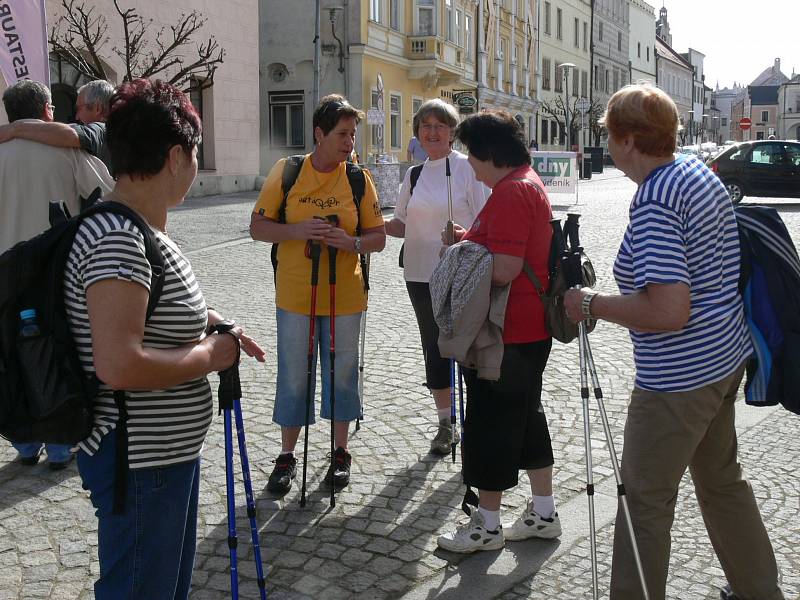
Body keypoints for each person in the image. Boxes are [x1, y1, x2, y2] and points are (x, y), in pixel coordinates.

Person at [564, 84, 784, 600]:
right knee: (722, 483)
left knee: (644, 502)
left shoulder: (657, 197)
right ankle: (760, 592)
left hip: (678, 380)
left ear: (624, 139)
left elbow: (668, 310)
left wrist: (592, 303)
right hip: (723, 359)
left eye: (608, 135)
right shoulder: (696, 173)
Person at [64, 78, 265, 599]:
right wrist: (209, 355)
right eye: (196, 153)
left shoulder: (145, 229)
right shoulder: (118, 239)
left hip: (161, 454)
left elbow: (158, 312)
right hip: (140, 459)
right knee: (139, 590)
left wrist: (211, 321)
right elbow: (118, 363)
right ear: (176, 156)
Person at [436, 109, 560, 553]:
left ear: (489, 153)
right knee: (527, 419)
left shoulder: (511, 192)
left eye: (470, 152)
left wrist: (464, 253)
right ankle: (543, 513)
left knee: (489, 426)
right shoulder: (526, 181)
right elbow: (507, 249)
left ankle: (486, 526)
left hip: (503, 334)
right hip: (527, 332)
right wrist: (471, 238)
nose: (468, 162)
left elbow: (504, 268)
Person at [250, 94, 385, 494]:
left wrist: (350, 242)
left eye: (353, 134)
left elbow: (377, 238)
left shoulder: (359, 178)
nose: (349, 142)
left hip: (345, 296)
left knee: (342, 375)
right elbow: (258, 228)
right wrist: (297, 231)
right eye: (342, 134)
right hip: (295, 294)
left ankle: (340, 452)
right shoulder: (288, 172)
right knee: (294, 376)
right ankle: (287, 456)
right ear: (319, 133)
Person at [0, 79, 113, 470]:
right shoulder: (64, 152)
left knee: (12, 355)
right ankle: (61, 443)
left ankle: (25, 442)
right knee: (58, 350)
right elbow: (107, 195)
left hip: (4, 273)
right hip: (56, 270)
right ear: (47, 110)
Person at [385, 98, 489, 455]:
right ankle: (446, 424)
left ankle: (477, 421)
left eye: (440, 126)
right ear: (417, 132)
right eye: (426, 126)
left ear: (452, 132)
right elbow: (399, 223)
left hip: (460, 271)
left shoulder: (467, 169)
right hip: (419, 273)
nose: (432, 132)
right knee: (434, 347)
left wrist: (463, 233)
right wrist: (364, 224)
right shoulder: (414, 175)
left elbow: (487, 219)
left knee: (467, 346)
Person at [0, 79, 115, 172]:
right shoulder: (70, 154)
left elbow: (72, 134)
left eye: (78, 109)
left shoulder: (102, 130)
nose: (77, 117)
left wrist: (15, 128)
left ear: (97, 109)